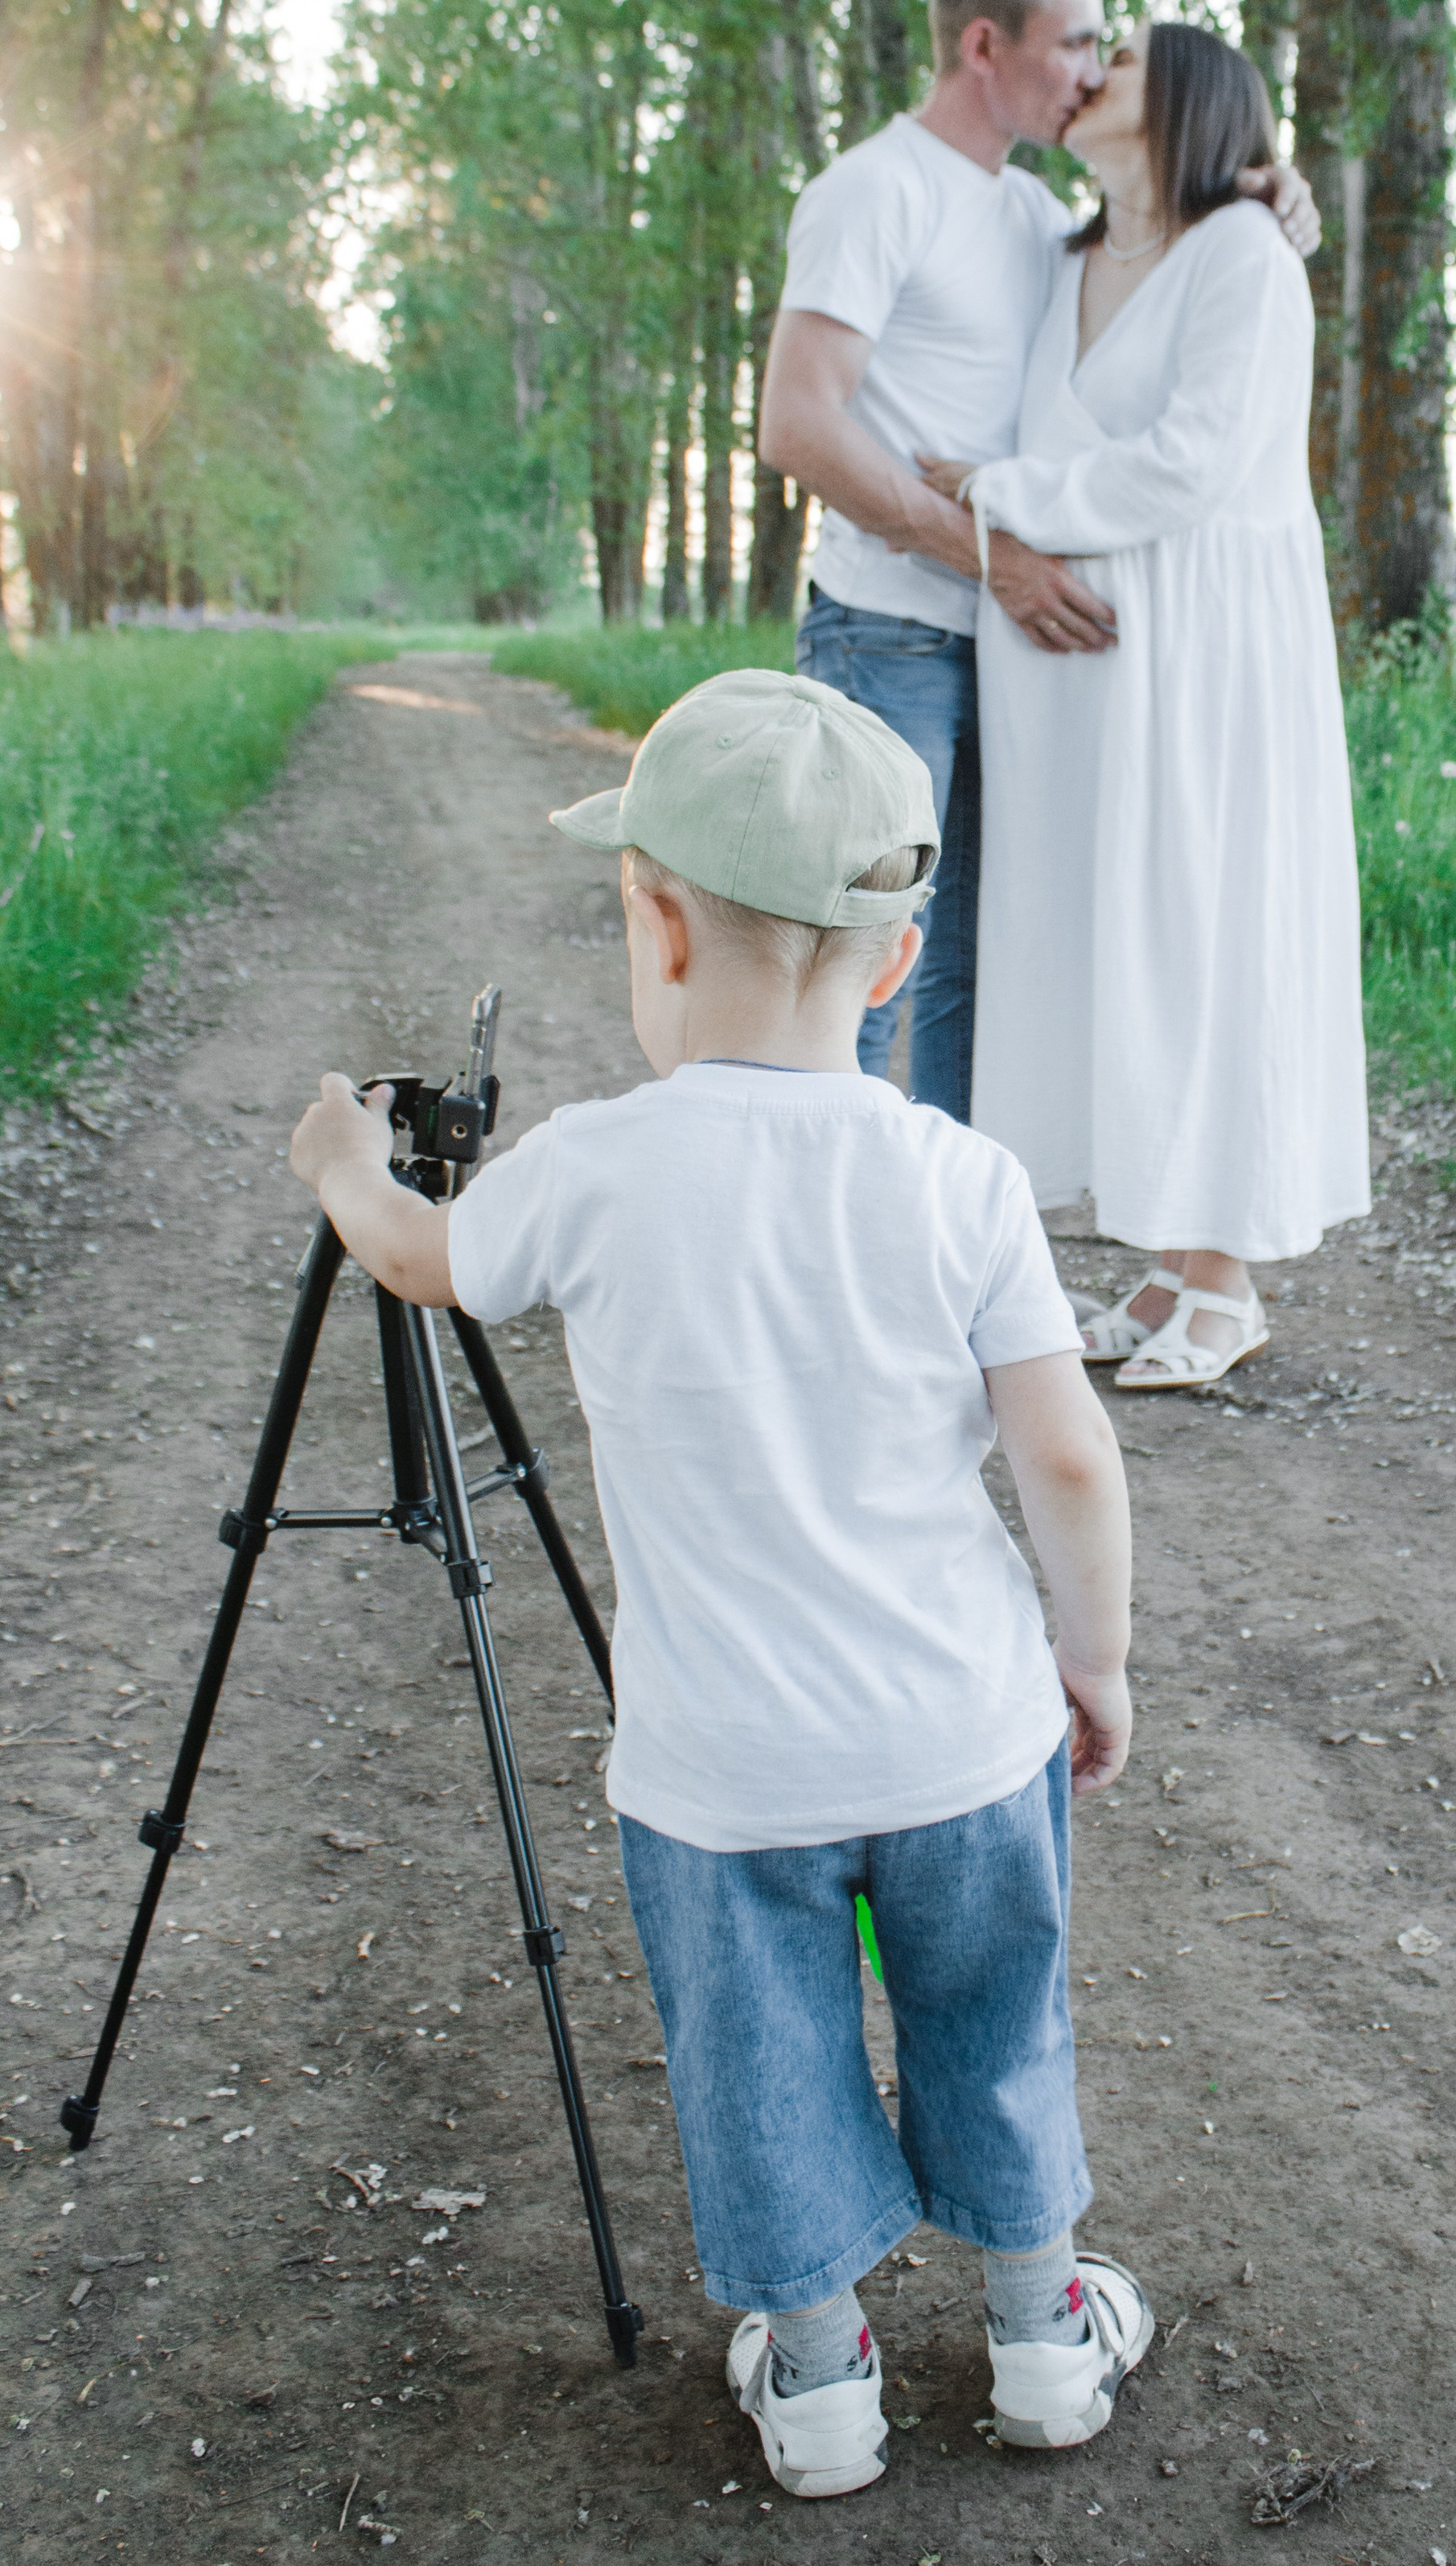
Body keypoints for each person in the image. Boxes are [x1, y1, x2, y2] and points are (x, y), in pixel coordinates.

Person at [287, 669, 1150, 2502]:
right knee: (995, 2023)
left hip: (722, 1781)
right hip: (961, 1743)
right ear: (900, 957)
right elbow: (1069, 1456)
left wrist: (348, 1167)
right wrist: (1095, 1665)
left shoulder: (595, 1171)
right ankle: (1036, 2333)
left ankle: (823, 2379)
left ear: (653, 921)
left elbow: (426, 1262)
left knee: (758, 2065)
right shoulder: (959, 1180)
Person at [759, 0, 1318, 1122]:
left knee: (976, 977)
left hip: (1009, 648)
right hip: (888, 632)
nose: (1090, 72)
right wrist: (992, 558)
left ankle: (949, 1261)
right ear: (982, 44)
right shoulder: (872, 192)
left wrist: (1263, 184)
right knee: (861, 969)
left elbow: (1161, 253)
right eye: (1073, 45)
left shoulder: (1028, 216)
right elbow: (797, 424)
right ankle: (832, 1258)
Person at [920, 25, 1372, 1391]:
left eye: (1117, 53)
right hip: (1079, 660)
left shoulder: (1242, 255)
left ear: (1187, 96)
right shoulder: (1064, 257)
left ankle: (1228, 1280)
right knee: (1111, 939)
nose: (1090, 67)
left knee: (1203, 925)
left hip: (1205, 644)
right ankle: (1170, 1260)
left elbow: (1192, 462)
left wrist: (987, 493)